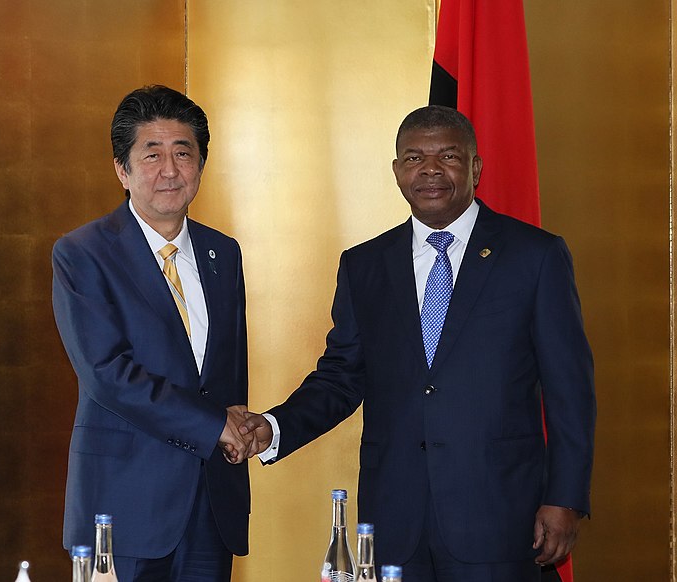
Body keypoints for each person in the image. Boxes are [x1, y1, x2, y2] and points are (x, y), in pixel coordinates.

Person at [239, 105, 596, 582]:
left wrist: (566, 496)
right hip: (394, 522)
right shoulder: (364, 265)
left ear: (475, 167)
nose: (430, 170)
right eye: (414, 158)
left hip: (501, 517)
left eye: (448, 156)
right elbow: (342, 376)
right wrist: (274, 426)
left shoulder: (535, 256)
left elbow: (570, 389)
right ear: (396, 171)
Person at [52, 85, 255, 582]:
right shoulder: (84, 253)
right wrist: (214, 425)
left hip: (211, 505)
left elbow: (225, 374)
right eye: (152, 154)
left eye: (183, 153)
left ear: (201, 166)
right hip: (121, 507)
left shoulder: (222, 253)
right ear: (122, 169)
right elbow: (108, 373)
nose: (170, 170)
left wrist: (237, 431)